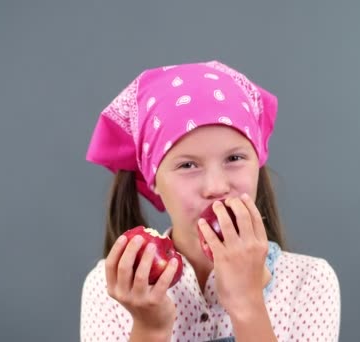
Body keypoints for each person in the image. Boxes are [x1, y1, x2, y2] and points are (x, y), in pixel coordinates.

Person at [80, 61, 341, 342]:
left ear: (257, 165)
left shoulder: (309, 282)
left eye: (234, 159)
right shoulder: (112, 288)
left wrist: (248, 306)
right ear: (153, 179)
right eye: (188, 165)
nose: (216, 187)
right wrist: (150, 328)